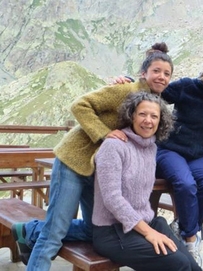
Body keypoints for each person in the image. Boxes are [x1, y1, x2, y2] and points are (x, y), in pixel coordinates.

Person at [11, 42, 174, 271]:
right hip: (74, 162)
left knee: (92, 229)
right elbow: (80, 105)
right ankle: (40, 241)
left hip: (96, 170)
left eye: (166, 73)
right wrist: (104, 134)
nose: (161, 77)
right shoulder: (125, 90)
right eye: (156, 71)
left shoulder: (151, 103)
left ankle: (30, 230)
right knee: (53, 234)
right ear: (143, 73)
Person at [113, 49, 203, 267]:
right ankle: (190, 241)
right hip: (170, 149)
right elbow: (157, 90)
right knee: (186, 183)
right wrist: (131, 81)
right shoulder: (189, 87)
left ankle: (182, 227)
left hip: (199, 155)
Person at [92, 91, 200, 271]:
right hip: (112, 231)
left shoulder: (151, 148)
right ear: (132, 116)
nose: (148, 120)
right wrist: (149, 233)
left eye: (154, 116)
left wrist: (150, 229)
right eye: (142, 114)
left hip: (145, 223)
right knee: (177, 264)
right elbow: (112, 198)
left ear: (160, 121)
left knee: (192, 265)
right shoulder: (114, 146)